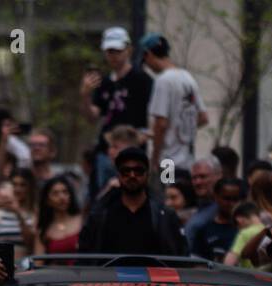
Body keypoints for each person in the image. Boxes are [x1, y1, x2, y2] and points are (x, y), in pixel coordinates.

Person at [79, 146, 187, 256]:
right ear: (118, 175)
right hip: (109, 272)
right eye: (126, 171)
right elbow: (85, 256)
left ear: (147, 174)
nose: (132, 175)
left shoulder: (164, 215)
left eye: (138, 171)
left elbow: (181, 255)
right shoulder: (100, 214)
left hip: (154, 272)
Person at [142, 33, 208, 174]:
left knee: (168, 195)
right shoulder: (187, 77)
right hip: (189, 161)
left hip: (168, 161)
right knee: (180, 195)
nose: (147, 65)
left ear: (148, 54)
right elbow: (203, 118)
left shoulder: (163, 81)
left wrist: (154, 160)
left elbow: (161, 124)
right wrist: (181, 129)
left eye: (145, 60)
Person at [82, 27, 153, 147]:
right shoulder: (104, 82)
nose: (113, 56)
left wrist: (144, 136)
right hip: (106, 148)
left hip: (132, 148)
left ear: (129, 50)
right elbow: (92, 117)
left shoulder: (142, 79)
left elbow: (155, 115)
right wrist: (85, 95)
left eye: (118, 51)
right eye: (110, 51)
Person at [191, 177, 245, 262]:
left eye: (235, 199)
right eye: (227, 198)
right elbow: (197, 265)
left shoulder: (247, 229)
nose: (231, 204)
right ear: (216, 197)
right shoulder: (204, 230)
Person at [35, 174, 83, 255]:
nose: (62, 197)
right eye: (55, 193)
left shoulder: (82, 220)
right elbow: (38, 262)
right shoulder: (44, 230)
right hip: (54, 268)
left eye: (65, 192)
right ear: (47, 200)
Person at [185, 154, 222, 249]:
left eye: (203, 177)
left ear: (218, 176)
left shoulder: (225, 207)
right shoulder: (195, 209)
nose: (198, 182)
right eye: (194, 178)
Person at [224, 201, 265, 268]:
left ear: (238, 219)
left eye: (236, 225)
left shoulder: (245, 233)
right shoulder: (269, 231)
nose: (238, 228)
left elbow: (228, 263)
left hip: (248, 277)